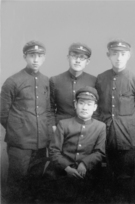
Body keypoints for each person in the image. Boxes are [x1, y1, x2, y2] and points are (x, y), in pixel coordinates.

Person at [95, 40, 135, 201]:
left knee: (125, 179)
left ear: (128, 56)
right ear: (108, 56)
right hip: (104, 137)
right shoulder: (101, 78)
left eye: (122, 54)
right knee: (104, 177)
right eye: (114, 54)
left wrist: (132, 128)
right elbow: (96, 107)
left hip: (127, 138)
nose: (118, 58)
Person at [0, 40, 52, 203]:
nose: (35, 59)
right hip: (20, 145)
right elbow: (2, 112)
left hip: (40, 143)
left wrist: (47, 134)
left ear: (44, 58)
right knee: (17, 184)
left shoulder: (46, 81)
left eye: (39, 56)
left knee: (35, 183)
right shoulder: (13, 81)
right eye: (32, 55)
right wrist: (18, 132)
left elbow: (48, 111)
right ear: (25, 57)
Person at [49, 86, 106, 203]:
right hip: (63, 173)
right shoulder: (63, 124)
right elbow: (54, 151)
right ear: (75, 105)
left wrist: (84, 164)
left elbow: (100, 152)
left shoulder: (100, 126)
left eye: (89, 104)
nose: (85, 107)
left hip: (88, 174)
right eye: (81, 103)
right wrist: (67, 168)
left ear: (95, 107)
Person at [49, 43, 97, 133]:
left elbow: (97, 109)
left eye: (82, 57)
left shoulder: (94, 81)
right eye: (74, 56)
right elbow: (50, 108)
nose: (78, 60)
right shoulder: (55, 80)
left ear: (88, 61)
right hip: (61, 129)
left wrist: (92, 128)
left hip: (86, 130)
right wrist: (53, 126)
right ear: (68, 57)